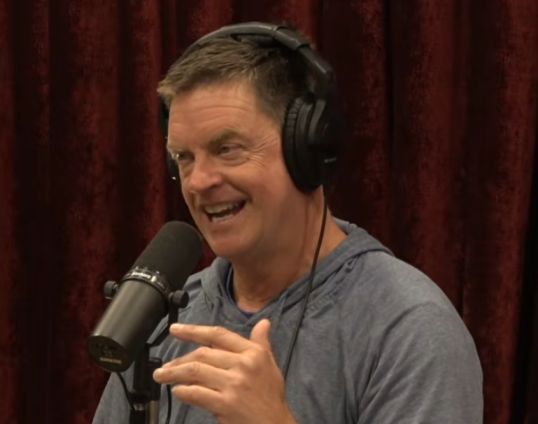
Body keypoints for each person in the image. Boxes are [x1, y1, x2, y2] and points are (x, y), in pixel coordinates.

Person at [93, 22, 483, 423]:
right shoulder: (162, 320)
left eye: (227, 149)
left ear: (307, 150)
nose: (197, 182)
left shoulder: (410, 327)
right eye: (184, 158)